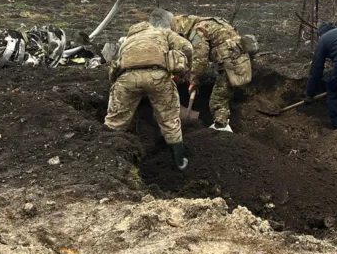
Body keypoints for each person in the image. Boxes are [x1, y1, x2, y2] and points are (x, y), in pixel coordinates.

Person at [105, 11, 194, 170]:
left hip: (127, 79)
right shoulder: (162, 32)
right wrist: (187, 68)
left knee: (115, 121)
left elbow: (116, 64)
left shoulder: (127, 40)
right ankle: (180, 162)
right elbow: (187, 46)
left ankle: (106, 160)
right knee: (169, 121)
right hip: (157, 76)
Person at [166, 11, 256, 133]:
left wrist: (194, 80)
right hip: (239, 62)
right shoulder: (210, 23)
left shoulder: (198, 30)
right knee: (223, 95)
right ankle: (222, 127)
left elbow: (200, 58)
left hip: (229, 65)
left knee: (218, 100)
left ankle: (221, 129)